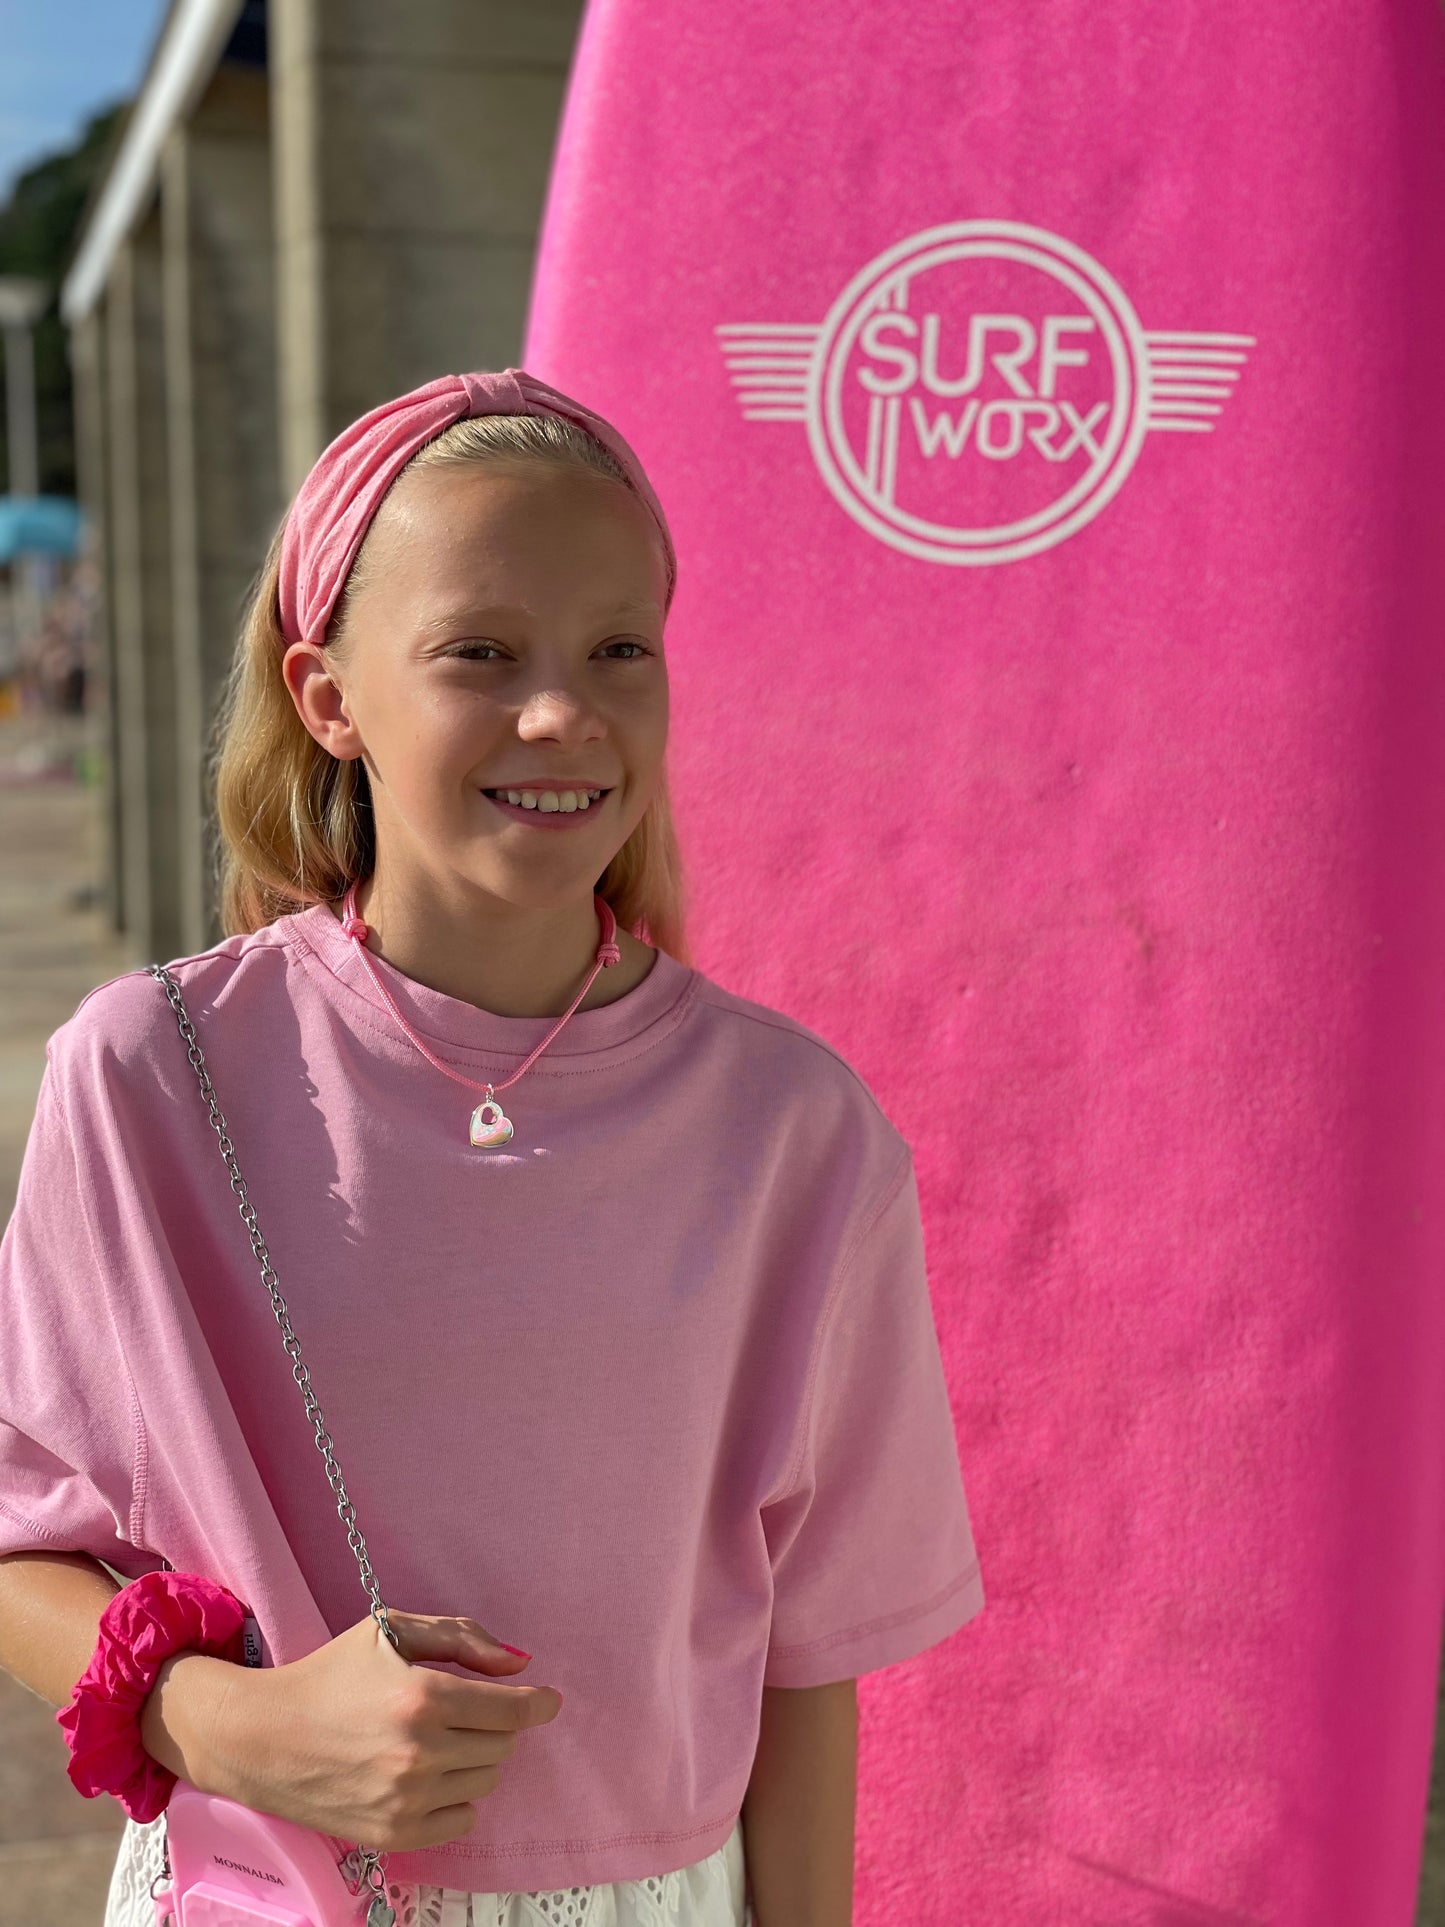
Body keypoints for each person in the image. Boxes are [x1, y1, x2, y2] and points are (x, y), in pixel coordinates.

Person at [0, 369, 985, 1927]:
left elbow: (805, 1668)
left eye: (617, 650)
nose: (562, 712)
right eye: (479, 652)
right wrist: (234, 1725)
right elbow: (21, 1542)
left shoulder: (798, 1134)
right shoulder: (147, 1079)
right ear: (329, 697)